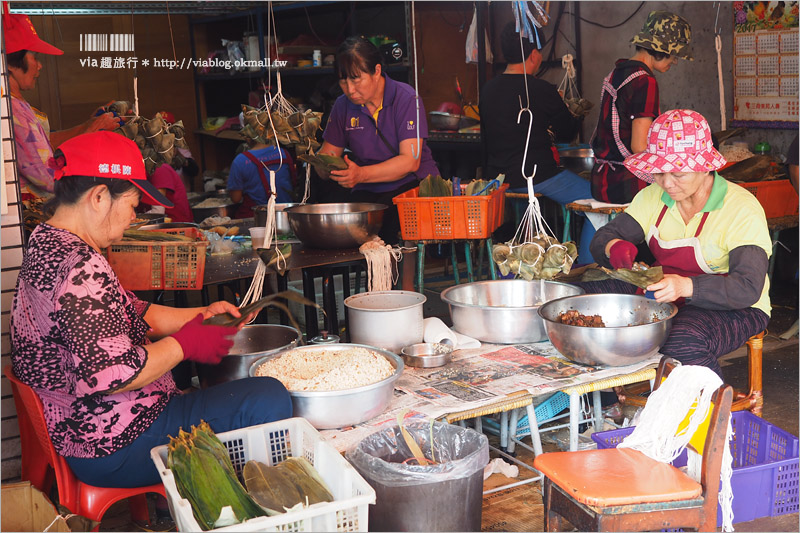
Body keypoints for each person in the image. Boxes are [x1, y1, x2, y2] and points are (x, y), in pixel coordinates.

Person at [9, 131, 292, 488]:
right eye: (131, 204)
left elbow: (135, 312)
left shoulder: (47, 241)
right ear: (98, 197)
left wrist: (201, 315)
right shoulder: (80, 268)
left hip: (87, 429)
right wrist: (188, 343)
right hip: (114, 443)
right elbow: (114, 375)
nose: (133, 216)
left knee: (225, 389)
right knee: (267, 398)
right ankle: (257, 508)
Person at [584, 109, 772, 377]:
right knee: (580, 299)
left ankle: (712, 411)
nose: (667, 183)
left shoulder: (740, 208)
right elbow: (602, 239)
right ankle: (610, 402)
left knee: (680, 337)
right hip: (664, 292)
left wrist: (685, 286)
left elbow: (747, 287)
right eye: (659, 173)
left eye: (678, 174)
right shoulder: (653, 197)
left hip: (736, 307)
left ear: (705, 167)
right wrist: (614, 247)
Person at [480, 21, 595, 264]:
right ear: (534, 54)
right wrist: (569, 110)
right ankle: (588, 269)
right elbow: (566, 133)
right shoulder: (541, 89)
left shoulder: (488, 90)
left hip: (498, 181)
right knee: (598, 204)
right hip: (536, 176)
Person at [318, 36, 440, 244]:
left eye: (356, 79)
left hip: (411, 186)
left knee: (395, 231)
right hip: (367, 191)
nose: (349, 89)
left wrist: (361, 174)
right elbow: (328, 155)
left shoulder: (407, 98)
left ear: (376, 71)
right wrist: (318, 163)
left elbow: (410, 161)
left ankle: (403, 278)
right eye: (343, 80)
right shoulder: (342, 105)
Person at [3, 6, 120, 200]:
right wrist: (89, 133)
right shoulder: (12, 110)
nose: (39, 65)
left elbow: (43, 144)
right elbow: (50, 178)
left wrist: (88, 126)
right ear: (11, 62)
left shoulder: (17, 104)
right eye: (34, 57)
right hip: (29, 214)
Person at [590, 10, 692, 204]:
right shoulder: (645, 81)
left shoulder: (616, 72)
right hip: (626, 185)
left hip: (600, 181)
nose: (675, 61)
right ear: (662, 50)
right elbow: (639, 147)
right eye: (674, 55)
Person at [228, 129, 296, 218]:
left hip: (259, 216)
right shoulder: (283, 153)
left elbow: (235, 199)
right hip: (287, 214)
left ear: (248, 138)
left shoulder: (240, 160)